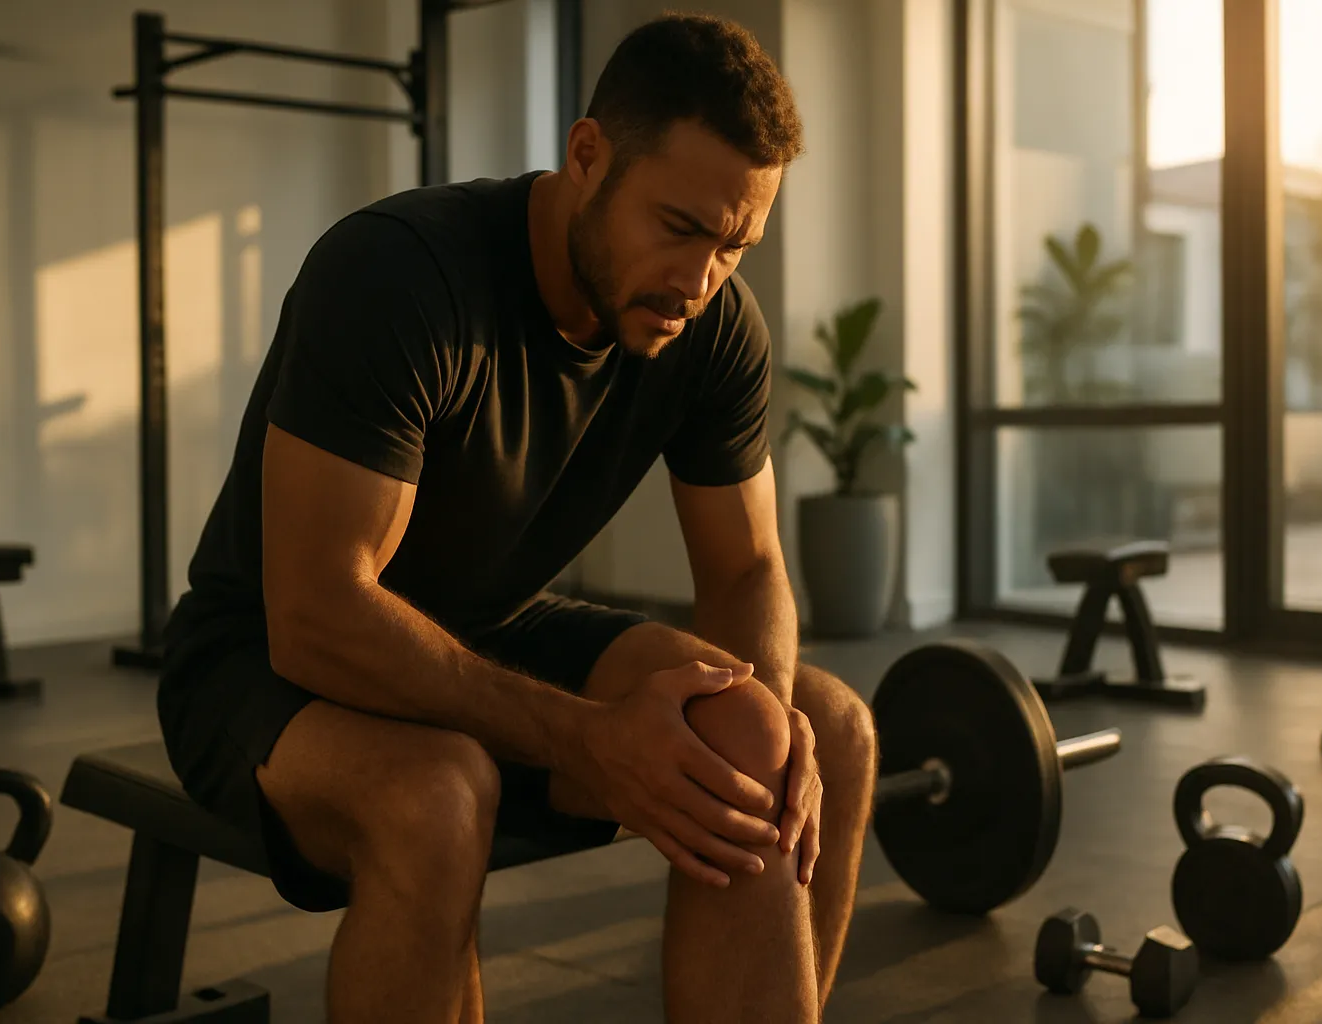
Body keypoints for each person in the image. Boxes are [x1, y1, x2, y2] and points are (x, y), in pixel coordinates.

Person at [157, 12, 877, 1024]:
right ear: (589, 155)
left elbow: (749, 570)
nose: (699, 278)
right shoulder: (399, 275)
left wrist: (766, 719)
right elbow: (316, 612)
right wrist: (588, 741)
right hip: (263, 659)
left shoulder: (712, 323)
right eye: (678, 228)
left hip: (490, 626)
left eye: (734, 244)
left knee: (808, 733)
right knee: (439, 797)